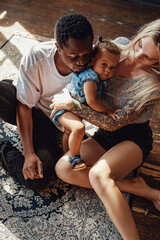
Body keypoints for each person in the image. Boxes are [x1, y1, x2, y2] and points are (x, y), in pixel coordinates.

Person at [50, 19, 160, 240]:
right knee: (64, 168)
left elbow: (113, 123)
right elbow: (83, 73)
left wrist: (73, 106)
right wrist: (67, 95)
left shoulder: (153, 86)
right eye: (139, 46)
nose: (137, 57)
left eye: (150, 58)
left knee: (99, 176)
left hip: (133, 139)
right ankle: (140, 189)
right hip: (104, 137)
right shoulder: (116, 47)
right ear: (140, 36)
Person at [0, 13, 93, 190]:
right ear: (58, 47)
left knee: (36, 179)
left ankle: (1, 148)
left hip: (52, 123)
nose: (81, 62)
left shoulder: (97, 61)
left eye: (85, 54)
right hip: (26, 104)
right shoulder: (36, 56)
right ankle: (15, 87)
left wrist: (31, 158)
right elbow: (24, 106)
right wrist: (28, 153)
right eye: (73, 56)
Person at [51, 37, 120, 171]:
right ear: (92, 61)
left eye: (112, 67)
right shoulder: (91, 77)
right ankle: (74, 157)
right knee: (78, 128)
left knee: (70, 131)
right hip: (63, 108)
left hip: (70, 109)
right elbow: (92, 101)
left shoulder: (95, 76)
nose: (108, 70)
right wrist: (108, 111)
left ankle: (65, 155)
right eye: (104, 64)